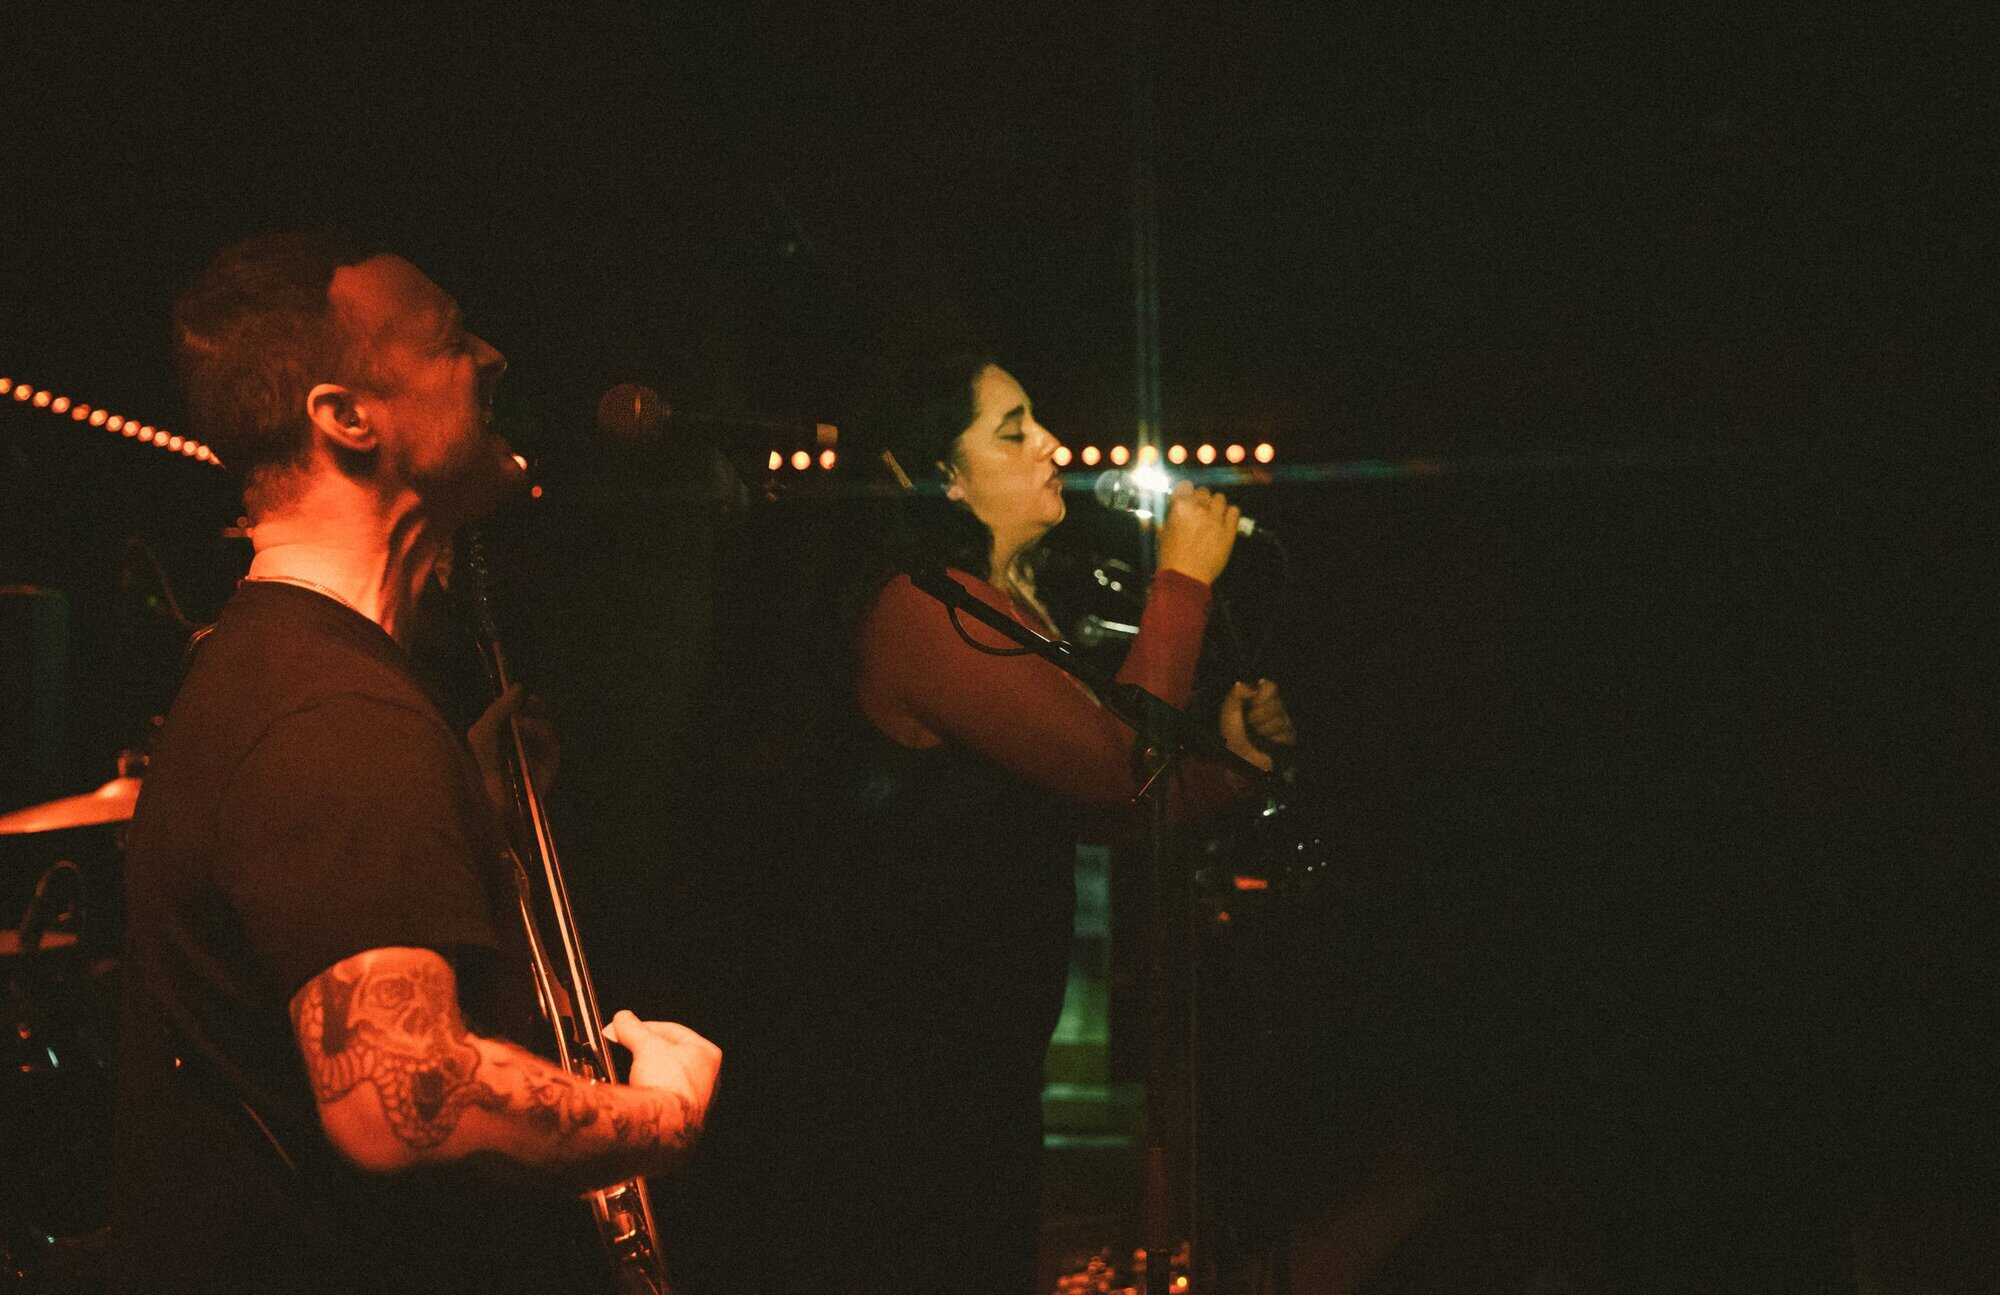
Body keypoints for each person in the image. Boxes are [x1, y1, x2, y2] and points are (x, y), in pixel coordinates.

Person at [112, 230, 721, 1293]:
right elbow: (404, 1103)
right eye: (449, 339)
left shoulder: (292, 672)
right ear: (346, 416)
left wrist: (454, 807)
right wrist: (659, 1115)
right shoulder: (335, 716)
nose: (491, 357)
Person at [792, 350, 1293, 1291]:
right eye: (1014, 431)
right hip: (911, 1056)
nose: (1052, 444)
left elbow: (1097, 802)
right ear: (945, 477)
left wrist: (1227, 763)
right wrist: (1183, 582)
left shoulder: (1003, 606)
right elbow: (1110, 768)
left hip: (984, 1048)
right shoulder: (922, 609)